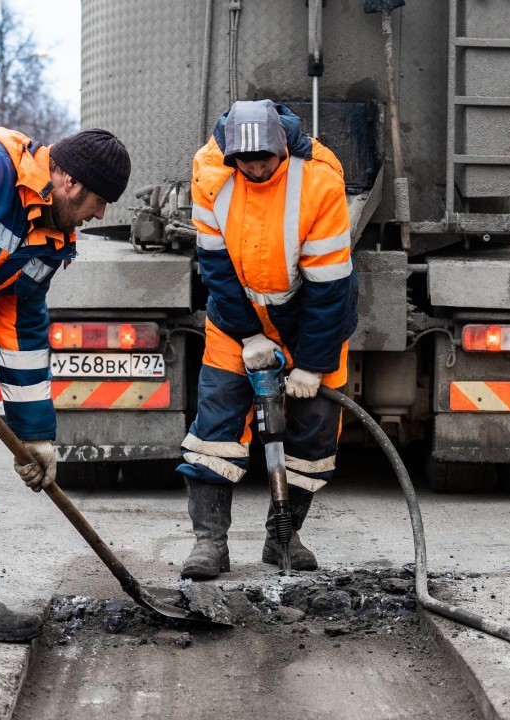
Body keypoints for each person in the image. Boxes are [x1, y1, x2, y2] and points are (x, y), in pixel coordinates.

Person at [0, 125, 131, 641]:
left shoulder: (52, 238)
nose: (101, 215)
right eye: (99, 200)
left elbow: (20, 326)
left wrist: (34, 436)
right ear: (67, 181)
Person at [177, 99, 357, 577]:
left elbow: (331, 284)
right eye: (245, 160)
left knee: (314, 432)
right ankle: (209, 544)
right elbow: (215, 266)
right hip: (236, 320)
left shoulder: (319, 179)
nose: (255, 168)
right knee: (214, 428)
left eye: (264, 159)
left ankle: (283, 538)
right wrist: (249, 334)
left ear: (282, 147)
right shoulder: (210, 172)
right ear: (230, 153)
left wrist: (313, 364)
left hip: (310, 318)